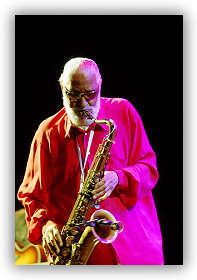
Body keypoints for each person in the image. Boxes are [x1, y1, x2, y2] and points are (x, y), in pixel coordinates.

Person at [17, 57, 164, 265]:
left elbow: (149, 169)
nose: (83, 104)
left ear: (100, 85)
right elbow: (31, 194)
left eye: (90, 94)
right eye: (74, 95)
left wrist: (118, 177)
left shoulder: (123, 111)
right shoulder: (47, 133)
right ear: (62, 88)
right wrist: (46, 225)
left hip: (134, 248)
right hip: (80, 256)